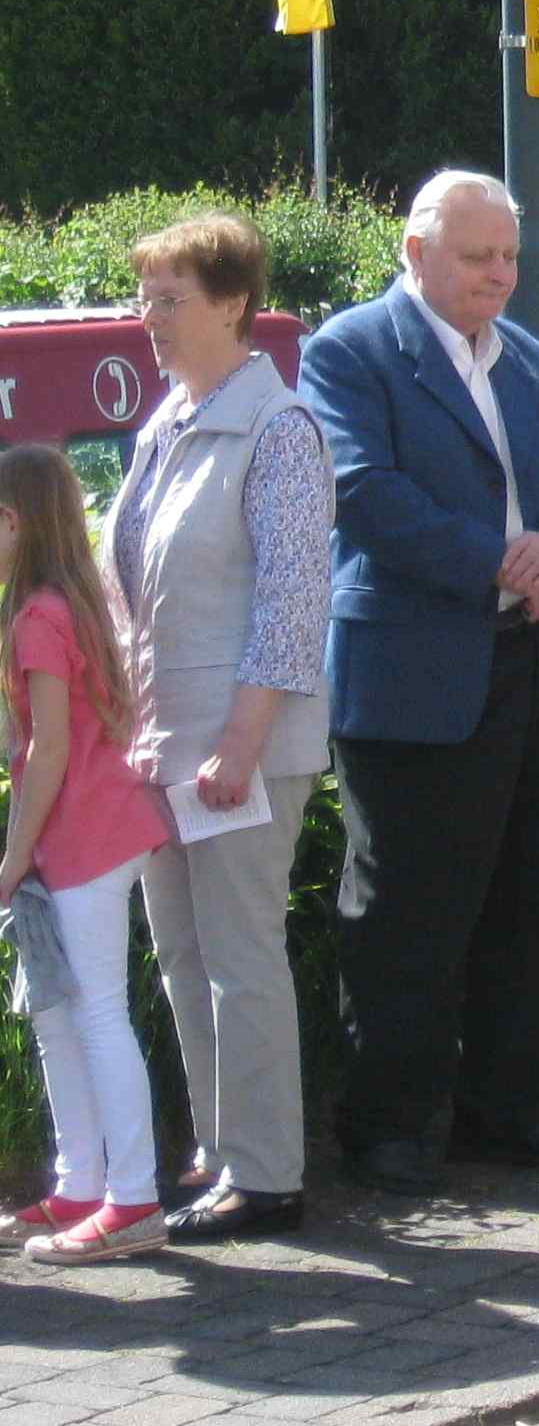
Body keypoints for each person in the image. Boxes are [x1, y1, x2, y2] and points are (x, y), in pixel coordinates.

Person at [300, 171, 539, 1196]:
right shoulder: (351, 352)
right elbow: (361, 494)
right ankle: (387, 1124)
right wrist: (498, 557)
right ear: (414, 252)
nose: (499, 274)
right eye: (478, 255)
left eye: (510, 257)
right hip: (419, 671)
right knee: (409, 908)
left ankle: (509, 1112)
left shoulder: (523, 357)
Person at [113, 212, 330, 1247]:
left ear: (234, 305)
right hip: (168, 745)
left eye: (170, 299)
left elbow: (292, 610)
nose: (148, 318)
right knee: (181, 958)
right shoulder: (167, 422)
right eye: (145, 297)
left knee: (241, 955)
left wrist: (237, 746)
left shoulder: (279, 431)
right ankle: (218, 1152)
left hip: (237, 748)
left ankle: (266, 1173)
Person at [1, 446, 179, 1263]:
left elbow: (45, 751)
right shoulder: (76, 597)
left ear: (12, 522)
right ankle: (81, 1180)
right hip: (103, 829)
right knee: (64, 1014)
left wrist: (13, 857)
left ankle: (132, 1196)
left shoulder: (37, 614)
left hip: (79, 837)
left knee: (93, 1012)